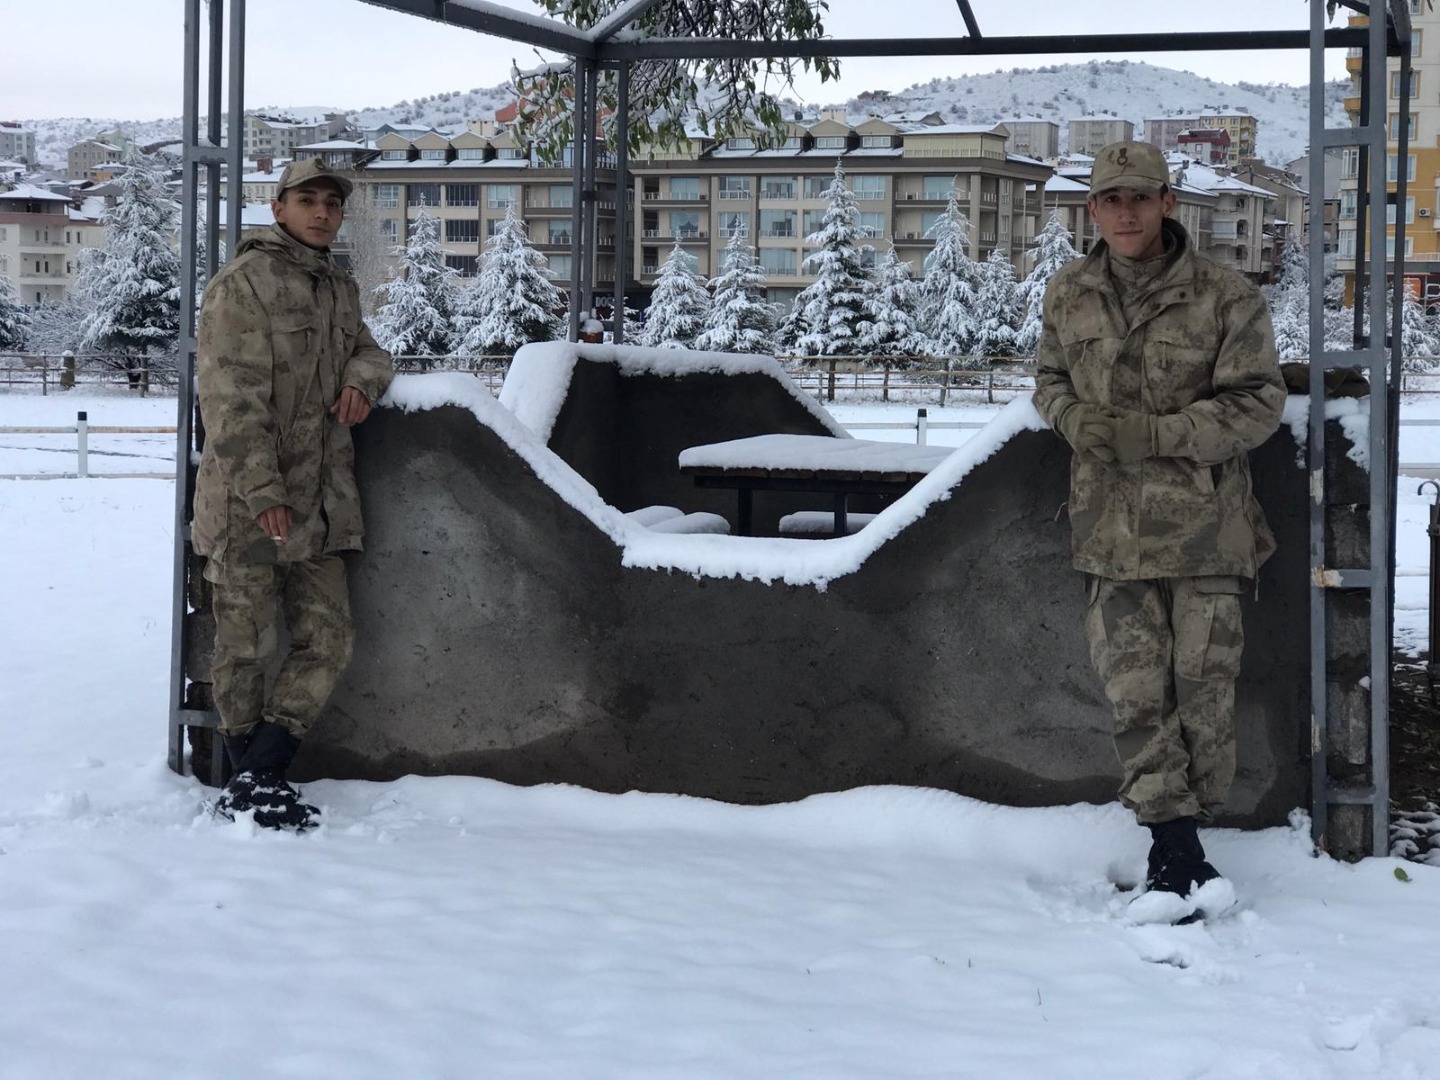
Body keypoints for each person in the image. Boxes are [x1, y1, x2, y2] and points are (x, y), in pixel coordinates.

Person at [1032, 140, 1285, 912]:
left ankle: (1187, 837)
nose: (1126, 212)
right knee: (1133, 693)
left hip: (1205, 529)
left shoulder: (1224, 294)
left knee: (1204, 693)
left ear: (1168, 203)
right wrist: (1071, 416)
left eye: (1140, 197)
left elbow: (1259, 402)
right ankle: (1174, 847)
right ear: (1092, 209)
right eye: (1111, 199)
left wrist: (1158, 435)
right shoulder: (1069, 292)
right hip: (1110, 531)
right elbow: (1048, 379)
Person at [192, 158, 395, 830]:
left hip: (320, 505)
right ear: (277, 208)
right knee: (244, 647)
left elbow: (373, 352)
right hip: (249, 507)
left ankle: (258, 775)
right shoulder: (242, 284)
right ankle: (250, 781)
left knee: (329, 639)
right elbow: (230, 401)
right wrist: (261, 490)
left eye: (332, 204)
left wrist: (362, 380)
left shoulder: (339, 287)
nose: (322, 213)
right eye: (307, 200)